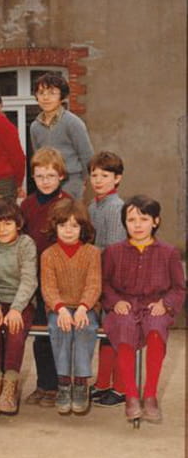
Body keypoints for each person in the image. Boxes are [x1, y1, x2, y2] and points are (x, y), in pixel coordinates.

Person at [101, 195, 185, 422]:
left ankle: (150, 395)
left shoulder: (169, 253)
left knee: (156, 329)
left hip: (154, 305)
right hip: (124, 304)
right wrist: (115, 301)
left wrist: (165, 304)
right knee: (124, 327)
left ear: (155, 221)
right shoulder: (113, 252)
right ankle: (130, 395)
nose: (137, 225)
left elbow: (179, 287)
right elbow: (104, 283)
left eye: (144, 219)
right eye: (131, 220)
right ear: (124, 223)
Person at [20, 147, 71, 408]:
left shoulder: (67, 203)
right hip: (34, 276)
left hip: (60, 279)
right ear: (33, 177)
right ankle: (43, 384)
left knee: (58, 333)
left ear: (61, 175)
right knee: (40, 334)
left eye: (51, 176)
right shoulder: (27, 204)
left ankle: (59, 385)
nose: (45, 181)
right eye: (40, 176)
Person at [40, 199, 101, 415]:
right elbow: (48, 287)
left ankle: (81, 384)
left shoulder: (92, 252)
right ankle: (64, 383)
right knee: (59, 327)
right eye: (63, 225)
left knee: (85, 327)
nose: (68, 230)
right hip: (59, 308)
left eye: (74, 226)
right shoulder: (48, 255)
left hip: (86, 306)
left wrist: (84, 307)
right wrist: (60, 309)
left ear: (83, 228)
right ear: (54, 227)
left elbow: (94, 284)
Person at [0, 198, 37, 417]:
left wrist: (16, 309)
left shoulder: (26, 244)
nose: (2, 229)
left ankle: (10, 385)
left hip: (21, 301)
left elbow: (29, 280)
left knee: (15, 328)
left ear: (18, 224)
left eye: (7, 223)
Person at [87, 151, 128, 407]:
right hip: (99, 276)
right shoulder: (93, 206)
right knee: (105, 332)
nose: (98, 180)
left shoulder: (116, 207)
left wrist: (86, 253)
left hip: (117, 280)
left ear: (117, 178)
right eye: (94, 175)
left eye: (105, 175)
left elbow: (112, 249)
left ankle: (121, 387)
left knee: (118, 332)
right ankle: (103, 382)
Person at [29, 73, 93, 200]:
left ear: (61, 96)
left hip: (71, 182)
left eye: (52, 93)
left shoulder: (73, 123)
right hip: (46, 182)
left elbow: (87, 155)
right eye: (41, 93)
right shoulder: (35, 127)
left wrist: (82, 181)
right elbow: (38, 157)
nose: (46, 97)